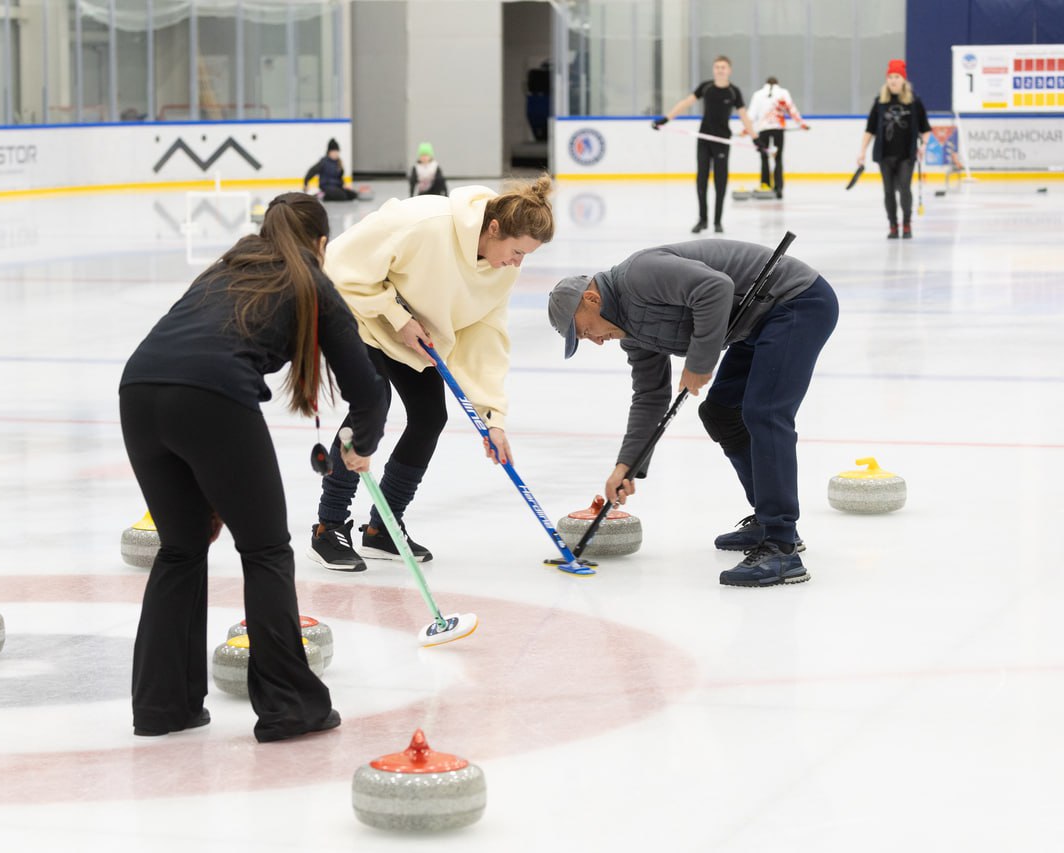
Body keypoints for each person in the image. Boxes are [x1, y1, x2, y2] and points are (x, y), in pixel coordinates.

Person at [119, 192, 388, 742]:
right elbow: (368, 390)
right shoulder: (311, 280)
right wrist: (362, 444)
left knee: (181, 546)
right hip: (211, 398)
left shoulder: (225, 268)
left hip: (138, 391)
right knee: (264, 549)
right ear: (321, 243)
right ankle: (290, 707)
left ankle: (162, 706)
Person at [547, 239, 839, 588]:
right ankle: (767, 518)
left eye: (584, 330)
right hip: (758, 321)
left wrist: (700, 363)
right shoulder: (631, 334)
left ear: (591, 300)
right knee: (720, 411)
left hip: (796, 301)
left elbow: (715, 287)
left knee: (764, 412)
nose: (593, 340)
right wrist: (627, 465)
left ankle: (782, 545)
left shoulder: (639, 275)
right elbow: (650, 396)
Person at [307, 177, 555, 572]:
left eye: (526, 255)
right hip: (357, 317)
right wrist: (396, 315)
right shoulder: (423, 221)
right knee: (373, 406)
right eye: (516, 251)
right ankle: (328, 525)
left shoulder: (499, 268)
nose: (517, 263)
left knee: (429, 418)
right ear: (493, 229)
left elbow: (484, 335)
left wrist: (492, 418)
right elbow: (338, 265)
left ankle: (383, 527)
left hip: (409, 338)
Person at [653, 56, 756, 234]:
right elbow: (686, 103)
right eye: (717, 67)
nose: (720, 70)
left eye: (723, 67)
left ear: (729, 70)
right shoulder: (706, 87)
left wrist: (756, 138)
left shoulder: (734, 92)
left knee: (720, 181)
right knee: (701, 180)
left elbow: (743, 116)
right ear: (714, 69)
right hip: (704, 139)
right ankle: (702, 219)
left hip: (722, 141)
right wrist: (666, 119)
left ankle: (717, 221)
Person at [858, 59, 931, 239]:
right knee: (889, 191)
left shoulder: (914, 101)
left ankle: (906, 224)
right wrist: (862, 151)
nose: (893, 80)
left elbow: (926, 130)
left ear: (903, 79)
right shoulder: (880, 102)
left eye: (896, 76)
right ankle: (893, 224)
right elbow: (870, 129)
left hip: (906, 154)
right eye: (890, 77)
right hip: (884, 155)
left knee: (904, 188)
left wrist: (923, 146)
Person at [747, 76, 808, 199]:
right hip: (778, 130)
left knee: (764, 158)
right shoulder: (783, 93)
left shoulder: (758, 94)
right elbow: (791, 109)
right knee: (778, 158)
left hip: (763, 130)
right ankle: (778, 188)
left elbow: (751, 114)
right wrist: (801, 124)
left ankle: (765, 185)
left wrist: (746, 130)